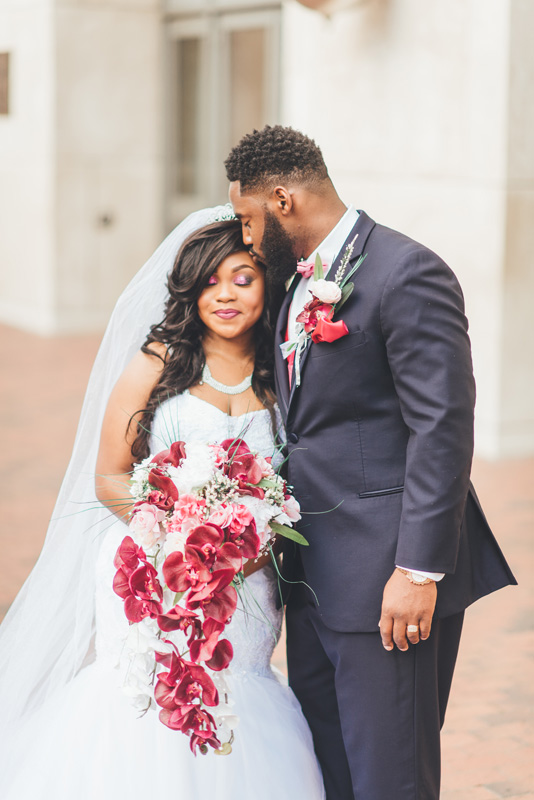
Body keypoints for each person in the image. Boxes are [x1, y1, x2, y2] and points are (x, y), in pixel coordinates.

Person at [225, 125, 517, 800]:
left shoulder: (406, 272)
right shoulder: (293, 281)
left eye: (248, 219)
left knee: (390, 779)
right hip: (315, 574)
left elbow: (442, 426)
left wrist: (418, 570)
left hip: (388, 582)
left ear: (282, 199)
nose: (246, 236)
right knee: (328, 767)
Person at [0, 210, 325, 800]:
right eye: (209, 282)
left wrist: (249, 546)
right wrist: (176, 537)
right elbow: (110, 476)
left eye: (242, 278)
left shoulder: (283, 374)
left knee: (233, 689)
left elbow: (291, 486)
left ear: (266, 285)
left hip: (247, 581)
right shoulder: (158, 363)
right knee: (150, 697)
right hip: (153, 572)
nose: (224, 294)